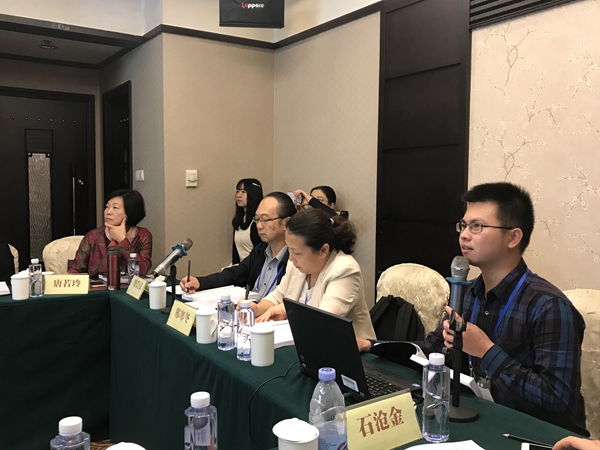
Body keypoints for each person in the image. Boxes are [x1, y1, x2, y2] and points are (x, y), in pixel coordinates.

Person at [357, 182, 588, 435]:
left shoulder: (549, 306)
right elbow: (430, 349)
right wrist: (372, 345)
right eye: (463, 225)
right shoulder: (469, 292)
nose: (464, 235)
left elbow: (559, 402)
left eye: (477, 226)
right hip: (482, 417)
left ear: (513, 237)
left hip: (536, 435)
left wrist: (485, 351)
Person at [255, 208, 376, 340]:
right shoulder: (296, 264)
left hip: (347, 348)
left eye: (297, 252)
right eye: (289, 249)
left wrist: (288, 311)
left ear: (323, 250)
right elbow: (278, 295)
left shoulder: (345, 270)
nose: (291, 258)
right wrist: (257, 308)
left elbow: (322, 321)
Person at [180, 192, 296, 298]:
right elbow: (234, 274)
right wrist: (200, 282)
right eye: (257, 219)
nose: (259, 226)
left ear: (286, 222)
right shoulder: (260, 250)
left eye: (265, 220)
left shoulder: (295, 259)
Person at [68, 189, 152, 278]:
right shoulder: (93, 236)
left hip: (129, 286)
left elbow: (143, 270)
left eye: (115, 207)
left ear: (130, 211)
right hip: (97, 286)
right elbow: (75, 270)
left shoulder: (142, 236)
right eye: (107, 207)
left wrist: (122, 240)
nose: (108, 212)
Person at [232, 178, 263, 264]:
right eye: (237, 191)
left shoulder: (258, 222)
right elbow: (235, 254)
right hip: (240, 266)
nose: (239, 195)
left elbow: (260, 254)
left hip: (254, 267)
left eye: (243, 192)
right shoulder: (238, 220)